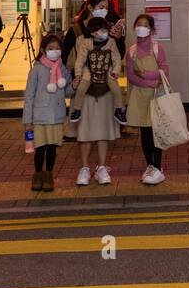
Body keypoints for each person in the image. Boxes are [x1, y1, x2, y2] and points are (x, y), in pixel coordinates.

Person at [69, 18, 123, 185]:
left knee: (103, 130)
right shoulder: (84, 42)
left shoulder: (112, 42)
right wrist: (78, 75)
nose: (103, 33)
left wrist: (115, 72)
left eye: (104, 29)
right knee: (85, 131)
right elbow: (79, 61)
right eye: (99, 30)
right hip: (88, 83)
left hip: (105, 86)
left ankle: (102, 167)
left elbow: (117, 59)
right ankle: (84, 168)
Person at [124, 13, 170, 185]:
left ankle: (158, 168)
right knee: (144, 134)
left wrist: (145, 75)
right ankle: (150, 165)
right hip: (140, 96)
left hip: (156, 96)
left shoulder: (158, 48)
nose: (141, 27)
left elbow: (165, 70)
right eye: (139, 24)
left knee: (156, 132)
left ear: (151, 29)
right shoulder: (131, 51)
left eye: (145, 25)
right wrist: (152, 80)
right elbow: (130, 76)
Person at [23, 33, 69, 192]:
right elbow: (29, 96)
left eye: (57, 48)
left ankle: (48, 176)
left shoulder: (63, 68)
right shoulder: (36, 69)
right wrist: (27, 121)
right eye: (51, 48)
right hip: (39, 117)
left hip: (56, 115)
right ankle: (37, 175)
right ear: (43, 50)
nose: (54, 51)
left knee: (52, 148)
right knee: (40, 148)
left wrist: (75, 85)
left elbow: (68, 91)